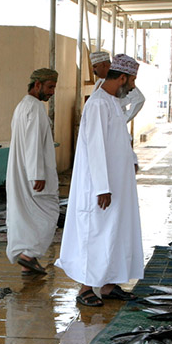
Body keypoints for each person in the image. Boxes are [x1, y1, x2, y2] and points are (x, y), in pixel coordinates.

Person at [57, 54, 144, 307]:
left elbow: (117, 140)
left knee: (114, 232)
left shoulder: (112, 101)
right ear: (124, 78)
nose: (133, 85)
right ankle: (85, 287)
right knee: (94, 232)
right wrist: (102, 187)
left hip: (117, 182)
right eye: (132, 80)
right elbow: (95, 148)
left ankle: (108, 285)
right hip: (99, 185)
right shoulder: (97, 104)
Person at [5, 68, 60, 276]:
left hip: (21, 171)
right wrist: (37, 174)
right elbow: (33, 142)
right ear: (37, 85)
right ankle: (28, 255)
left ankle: (27, 259)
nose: (52, 92)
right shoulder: (35, 107)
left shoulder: (22, 106)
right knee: (48, 212)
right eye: (50, 87)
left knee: (27, 215)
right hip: (33, 174)